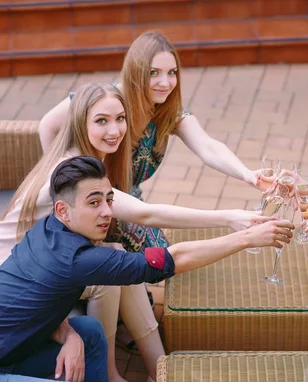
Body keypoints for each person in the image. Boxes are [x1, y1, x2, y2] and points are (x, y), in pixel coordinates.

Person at [1, 82, 272, 382]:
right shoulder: (74, 229)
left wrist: (67, 333)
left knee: (89, 330)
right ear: (63, 210)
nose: (106, 212)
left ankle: (139, 377)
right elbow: (159, 238)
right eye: (101, 120)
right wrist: (241, 232)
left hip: (21, 317)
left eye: (108, 199)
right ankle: (136, 375)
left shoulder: (67, 201)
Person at [38, 31, 262, 253]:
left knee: (158, 252)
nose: (165, 83)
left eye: (171, 72)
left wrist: (247, 174)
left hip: (128, 200)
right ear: (136, 72)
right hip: (90, 201)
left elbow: (207, 146)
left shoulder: (166, 113)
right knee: (159, 256)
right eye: (153, 72)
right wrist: (64, 179)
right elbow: (47, 125)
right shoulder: (105, 100)